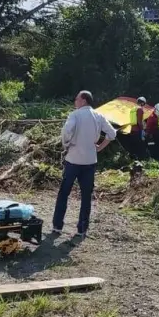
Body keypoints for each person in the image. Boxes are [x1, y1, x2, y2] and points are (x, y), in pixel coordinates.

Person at [53, 90, 117, 236]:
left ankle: (57, 226)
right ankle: (82, 229)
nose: (75, 102)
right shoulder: (99, 116)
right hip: (90, 160)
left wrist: (66, 144)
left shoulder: (75, 115)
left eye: (76, 99)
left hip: (73, 159)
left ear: (83, 100)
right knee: (86, 196)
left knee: (64, 193)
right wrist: (100, 147)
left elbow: (67, 130)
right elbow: (112, 133)